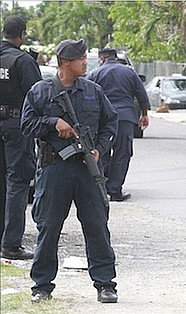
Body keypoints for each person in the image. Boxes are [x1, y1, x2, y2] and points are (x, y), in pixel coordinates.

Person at [21, 39, 119, 303]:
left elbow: (111, 122)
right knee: (49, 227)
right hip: (55, 168)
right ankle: (41, 286)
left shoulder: (93, 91)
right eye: (81, 58)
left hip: (88, 169)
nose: (86, 62)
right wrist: (53, 123)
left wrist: (99, 148)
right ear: (65, 62)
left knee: (97, 225)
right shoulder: (40, 92)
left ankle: (105, 284)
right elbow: (27, 125)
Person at [0, 15, 41, 260]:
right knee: (18, 181)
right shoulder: (23, 61)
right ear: (22, 35)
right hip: (17, 125)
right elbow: (38, 96)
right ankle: (11, 244)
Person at [87, 48, 150, 202]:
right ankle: (115, 190)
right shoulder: (129, 72)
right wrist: (144, 114)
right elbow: (141, 93)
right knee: (123, 153)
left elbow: (87, 95)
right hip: (125, 118)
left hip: (104, 119)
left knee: (102, 152)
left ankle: (102, 188)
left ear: (101, 59)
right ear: (115, 58)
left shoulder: (95, 74)